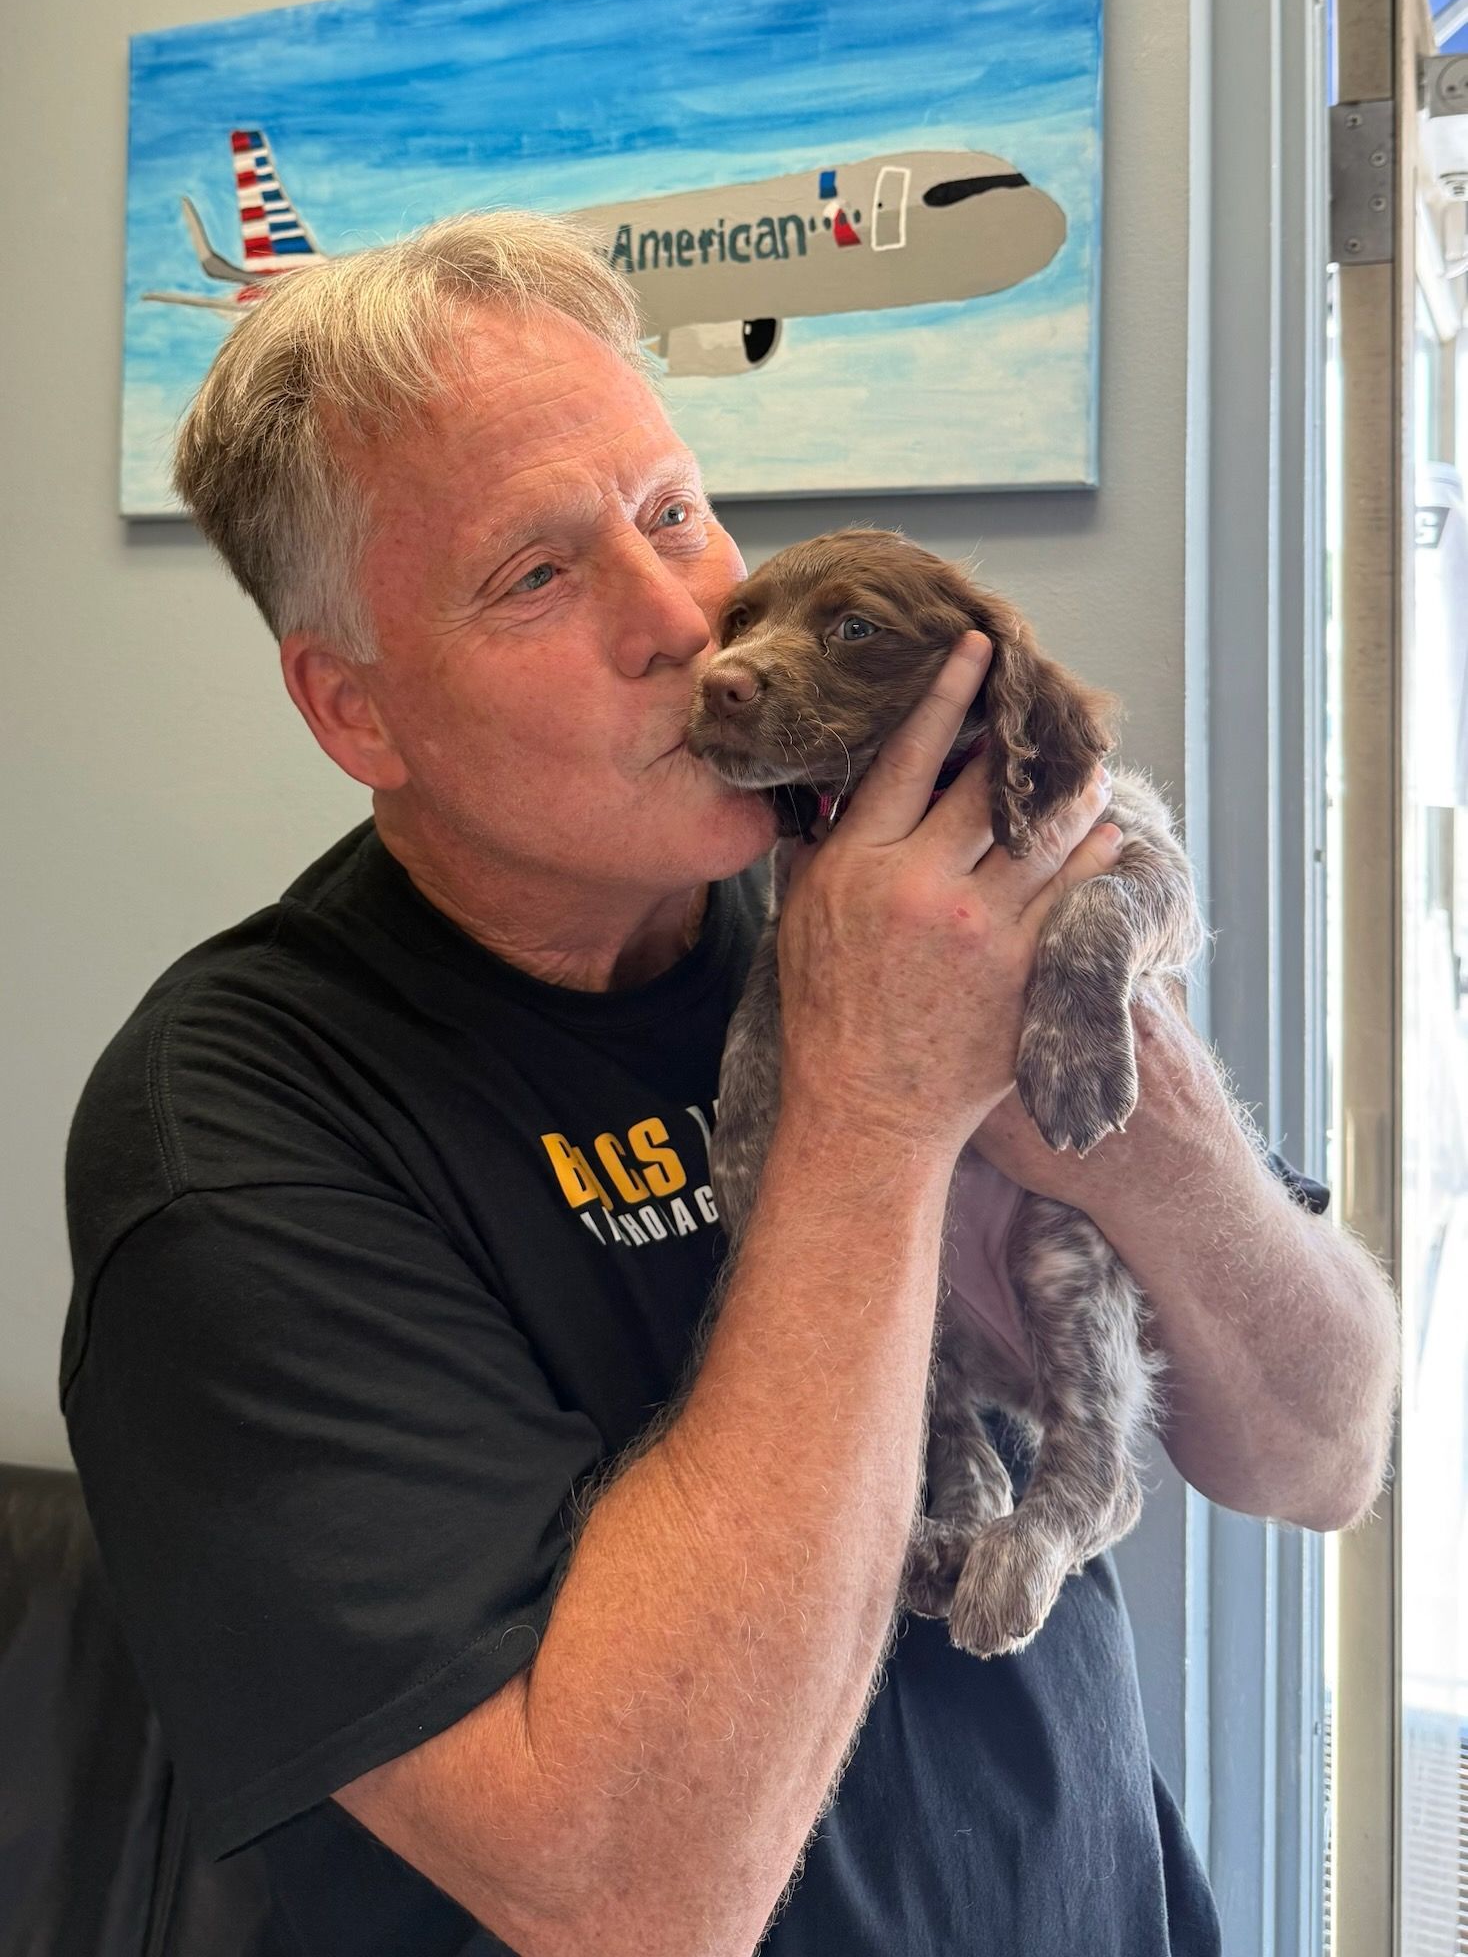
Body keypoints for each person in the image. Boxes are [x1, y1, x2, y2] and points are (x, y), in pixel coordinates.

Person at [61, 212, 1397, 1957]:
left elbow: (1325, 1446)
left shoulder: (888, 883)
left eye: (673, 510)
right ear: (356, 711)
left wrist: (1122, 1069)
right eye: (536, 575)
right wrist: (872, 1111)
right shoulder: (237, 1124)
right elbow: (633, 1896)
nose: (689, 624)